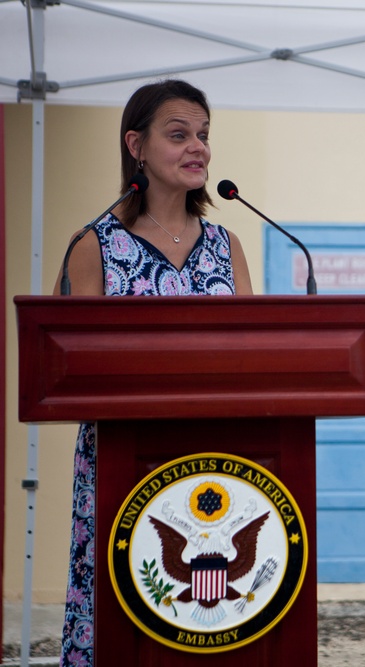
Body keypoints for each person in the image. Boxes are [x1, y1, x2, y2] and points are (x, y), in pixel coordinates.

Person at [53, 79, 253, 667]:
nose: (199, 148)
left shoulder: (226, 244)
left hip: (216, 462)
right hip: (123, 457)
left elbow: (255, 353)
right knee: (127, 613)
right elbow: (65, 363)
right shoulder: (94, 245)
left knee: (204, 616)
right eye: (179, 134)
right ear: (135, 145)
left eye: (204, 135)